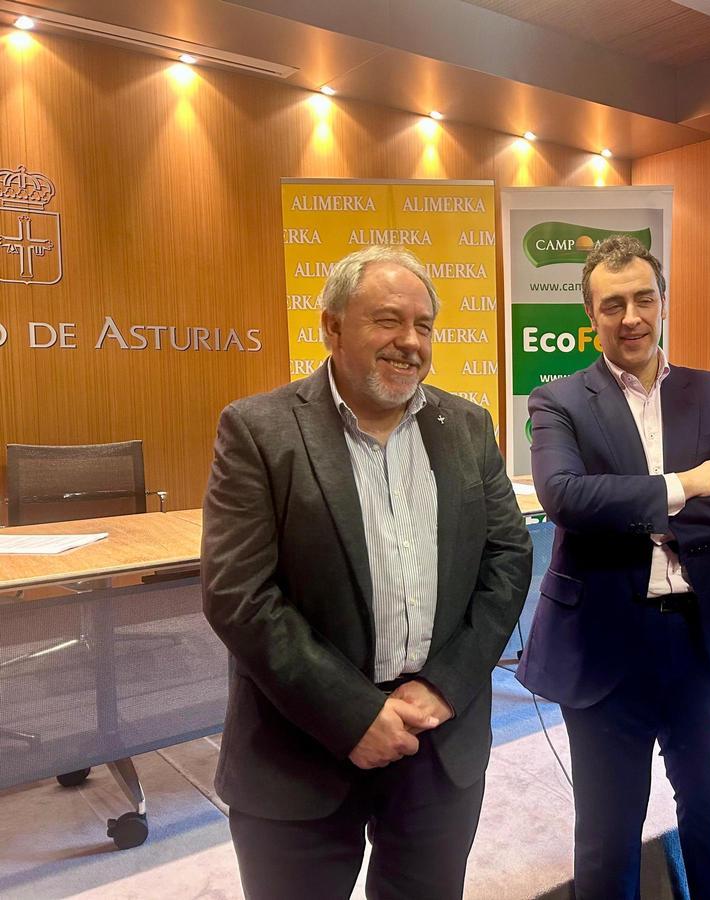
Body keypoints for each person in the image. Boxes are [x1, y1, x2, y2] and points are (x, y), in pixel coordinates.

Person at [201, 245, 533, 900]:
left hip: (439, 744)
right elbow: (238, 594)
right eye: (387, 320)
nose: (410, 342)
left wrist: (446, 684)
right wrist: (353, 713)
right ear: (331, 327)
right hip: (298, 749)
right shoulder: (259, 430)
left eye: (424, 325)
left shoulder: (466, 426)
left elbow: (508, 556)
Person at [516, 235, 710, 900]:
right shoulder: (558, 400)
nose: (631, 317)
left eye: (644, 299)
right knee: (608, 828)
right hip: (604, 647)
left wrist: (630, 511)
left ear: (664, 303)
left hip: (700, 640)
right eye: (613, 304)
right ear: (590, 318)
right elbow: (565, 497)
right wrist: (685, 485)